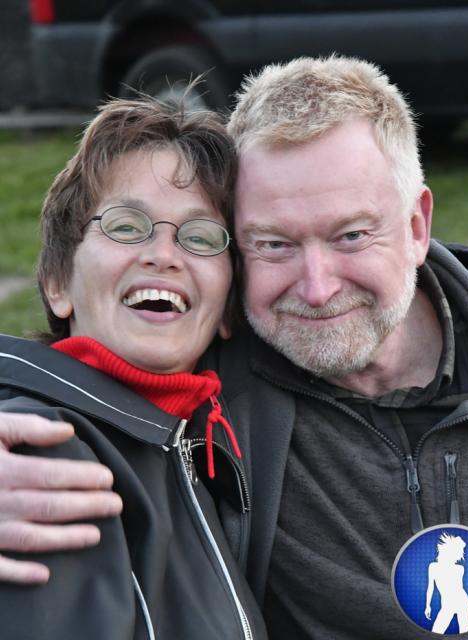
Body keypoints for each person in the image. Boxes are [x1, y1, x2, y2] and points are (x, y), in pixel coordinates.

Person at [1, 56, 468, 639]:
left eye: (351, 235)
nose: (316, 287)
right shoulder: (216, 401)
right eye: (273, 244)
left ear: (416, 226)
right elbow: (87, 374)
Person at [0, 93, 266, 639]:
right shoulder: (41, 451)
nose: (164, 254)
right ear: (57, 283)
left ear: (226, 311)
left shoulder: (197, 450)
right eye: (125, 226)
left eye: (200, 237)